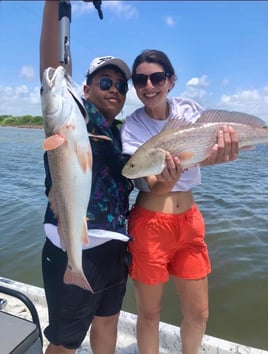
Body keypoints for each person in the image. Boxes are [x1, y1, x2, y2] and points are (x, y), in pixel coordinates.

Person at [120, 49, 239, 354]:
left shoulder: (188, 110)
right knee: (149, 314)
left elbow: (202, 156)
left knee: (199, 314)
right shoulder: (132, 127)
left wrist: (221, 155)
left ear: (171, 80)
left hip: (190, 222)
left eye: (157, 77)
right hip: (150, 226)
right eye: (140, 80)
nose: (149, 86)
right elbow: (151, 187)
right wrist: (167, 178)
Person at [40, 1, 133, 354]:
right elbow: (53, 66)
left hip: (115, 246)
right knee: (66, 340)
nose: (115, 90)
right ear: (86, 88)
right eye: (106, 82)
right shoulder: (76, 117)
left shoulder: (124, 133)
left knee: (107, 323)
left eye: (122, 86)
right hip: (74, 245)